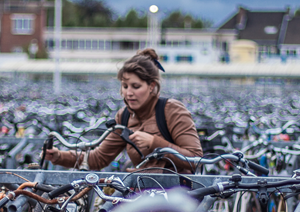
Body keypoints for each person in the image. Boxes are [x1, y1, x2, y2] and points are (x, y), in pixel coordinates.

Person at [44, 49, 203, 173]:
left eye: (136, 86)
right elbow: (98, 158)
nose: (128, 93)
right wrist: (59, 156)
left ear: (152, 86)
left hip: (176, 198)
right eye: (125, 86)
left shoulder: (171, 110)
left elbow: (196, 159)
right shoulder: (125, 116)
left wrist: (155, 143)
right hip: (141, 191)